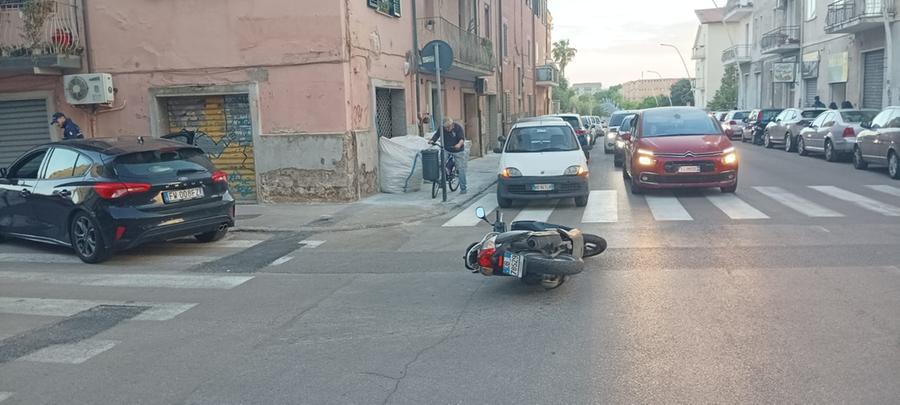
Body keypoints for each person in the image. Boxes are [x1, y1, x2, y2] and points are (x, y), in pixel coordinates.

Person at [430, 117, 468, 194]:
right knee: (440, 163)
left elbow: (461, 139)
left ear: (452, 124)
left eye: (449, 127)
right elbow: (437, 135)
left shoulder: (458, 128)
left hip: (458, 150)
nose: (447, 129)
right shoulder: (442, 128)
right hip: (446, 149)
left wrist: (458, 145)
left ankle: (463, 188)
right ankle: (441, 180)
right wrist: (432, 140)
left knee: (461, 169)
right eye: (446, 127)